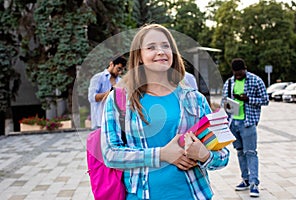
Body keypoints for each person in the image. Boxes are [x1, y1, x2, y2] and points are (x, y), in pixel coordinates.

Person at [101, 24, 230, 200]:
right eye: (151, 47)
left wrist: (204, 154)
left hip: (193, 195)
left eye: (165, 46)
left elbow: (223, 156)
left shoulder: (195, 99)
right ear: (139, 57)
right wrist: (161, 154)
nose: (161, 51)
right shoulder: (119, 99)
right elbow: (110, 154)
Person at [221, 58, 269, 197]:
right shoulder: (230, 82)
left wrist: (247, 99)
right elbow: (224, 101)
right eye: (235, 73)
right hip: (233, 123)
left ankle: (254, 183)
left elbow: (265, 100)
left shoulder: (255, 80)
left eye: (240, 73)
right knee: (240, 152)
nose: (238, 75)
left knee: (251, 152)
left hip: (248, 123)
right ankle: (245, 179)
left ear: (245, 69)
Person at [88, 56, 127, 130]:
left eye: (122, 70)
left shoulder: (120, 81)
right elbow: (92, 98)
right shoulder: (98, 77)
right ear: (111, 64)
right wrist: (111, 93)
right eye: (118, 68)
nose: (120, 72)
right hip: (100, 122)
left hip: (116, 122)